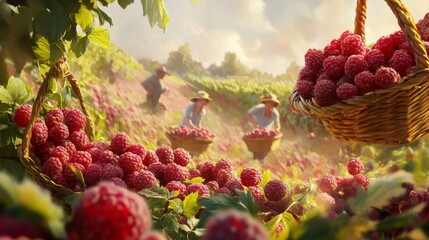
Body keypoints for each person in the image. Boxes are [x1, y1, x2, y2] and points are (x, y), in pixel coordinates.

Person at [246, 93, 281, 161]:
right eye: (268, 102)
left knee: (265, 149)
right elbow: (248, 114)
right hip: (256, 131)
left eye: (271, 103)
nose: (269, 104)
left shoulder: (275, 113)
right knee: (256, 149)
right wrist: (255, 124)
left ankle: (260, 161)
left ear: (274, 104)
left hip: (266, 133)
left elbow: (278, 125)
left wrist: (276, 131)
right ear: (265, 103)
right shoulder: (258, 108)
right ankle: (256, 160)